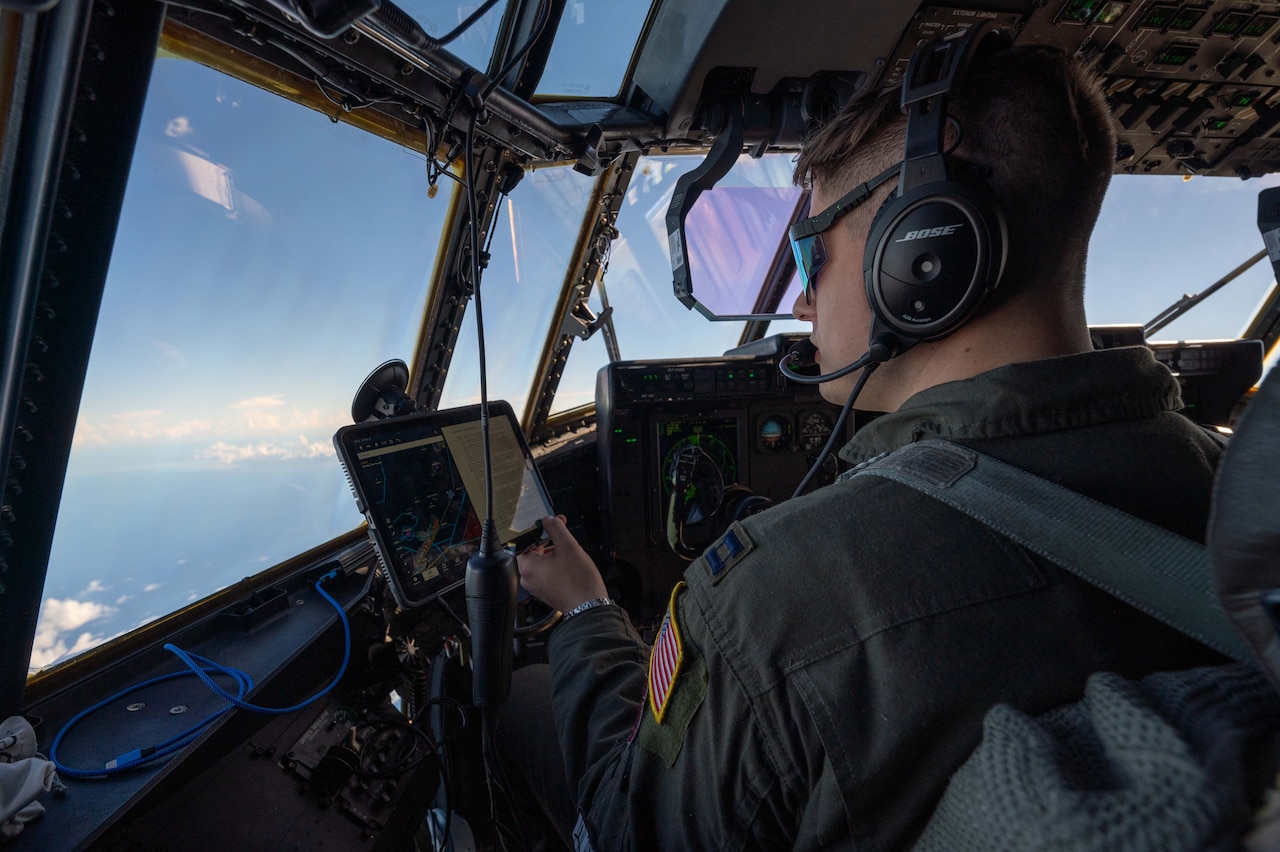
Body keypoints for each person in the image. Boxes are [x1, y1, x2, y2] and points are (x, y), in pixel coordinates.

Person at [503, 35, 1227, 850]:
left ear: (924, 254)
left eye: (810, 255)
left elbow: (629, 826)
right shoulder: (1234, 489)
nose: (803, 306)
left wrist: (588, 612)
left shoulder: (771, 603)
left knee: (515, 701)